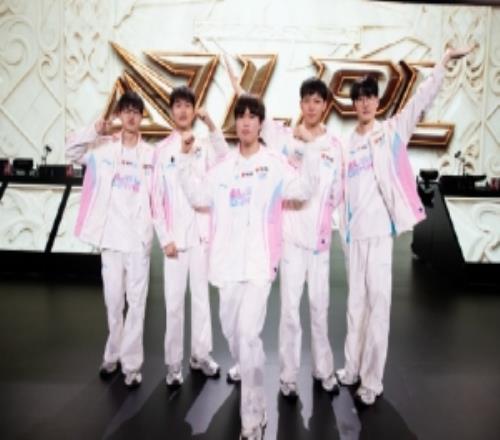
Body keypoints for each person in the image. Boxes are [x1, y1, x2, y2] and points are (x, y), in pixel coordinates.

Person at [335, 46, 474, 406]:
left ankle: (371, 381)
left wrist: (443, 62)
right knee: (355, 306)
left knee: (378, 307)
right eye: (359, 98)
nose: (365, 103)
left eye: (370, 97)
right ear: (353, 105)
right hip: (353, 236)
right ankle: (351, 368)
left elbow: (420, 100)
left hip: (379, 234)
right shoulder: (347, 145)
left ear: (377, 101)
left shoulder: (391, 131)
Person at [178, 94, 319, 440]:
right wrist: (183, 160)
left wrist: (311, 149)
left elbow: (303, 189)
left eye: (252, 116)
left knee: (248, 336)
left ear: (260, 124)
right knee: (233, 334)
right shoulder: (222, 168)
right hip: (225, 267)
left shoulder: (274, 164)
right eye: (240, 116)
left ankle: (254, 418)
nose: (245, 122)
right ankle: (247, 373)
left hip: (259, 266)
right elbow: (197, 197)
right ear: (236, 123)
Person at [224, 55, 344, 399]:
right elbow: (254, 114)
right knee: (290, 312)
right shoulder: (285, 139)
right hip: (291, 239)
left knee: (320, 310)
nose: (311, 106)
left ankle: (323, 370)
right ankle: (288, 376)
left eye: (317, 101)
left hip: (320, 242)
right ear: (301, 104)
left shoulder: (334, 146)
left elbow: (337, 190)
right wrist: (237, 87)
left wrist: (329, 221)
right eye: (306, 101)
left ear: (325, 105)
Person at [66, 90, 154, 388]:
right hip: (111, 240)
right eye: (126, 110)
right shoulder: (103, 149)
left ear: (141, 117)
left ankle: (132, 365)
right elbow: (71, 152)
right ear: (119, 115)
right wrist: (94, 129)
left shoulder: (150, 154)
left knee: (137, 305)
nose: (131, 116)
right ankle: (112, 355)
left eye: (136, 111)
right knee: (113, 302)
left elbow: (159, 194)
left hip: (138, 242)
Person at [151, 85, 227, 386]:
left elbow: (225, 158)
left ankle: (200, 355)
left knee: (201, 300)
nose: (183, 111)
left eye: (188, 105)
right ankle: (173, 364)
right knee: (173, 305)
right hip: (174, 241)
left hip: (200, 237)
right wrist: (164, 237)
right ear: (171, 111)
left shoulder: (205, 145)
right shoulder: (161, 150)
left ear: (195, 110)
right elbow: (155, 198)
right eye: (178, 105)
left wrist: (211, 124)